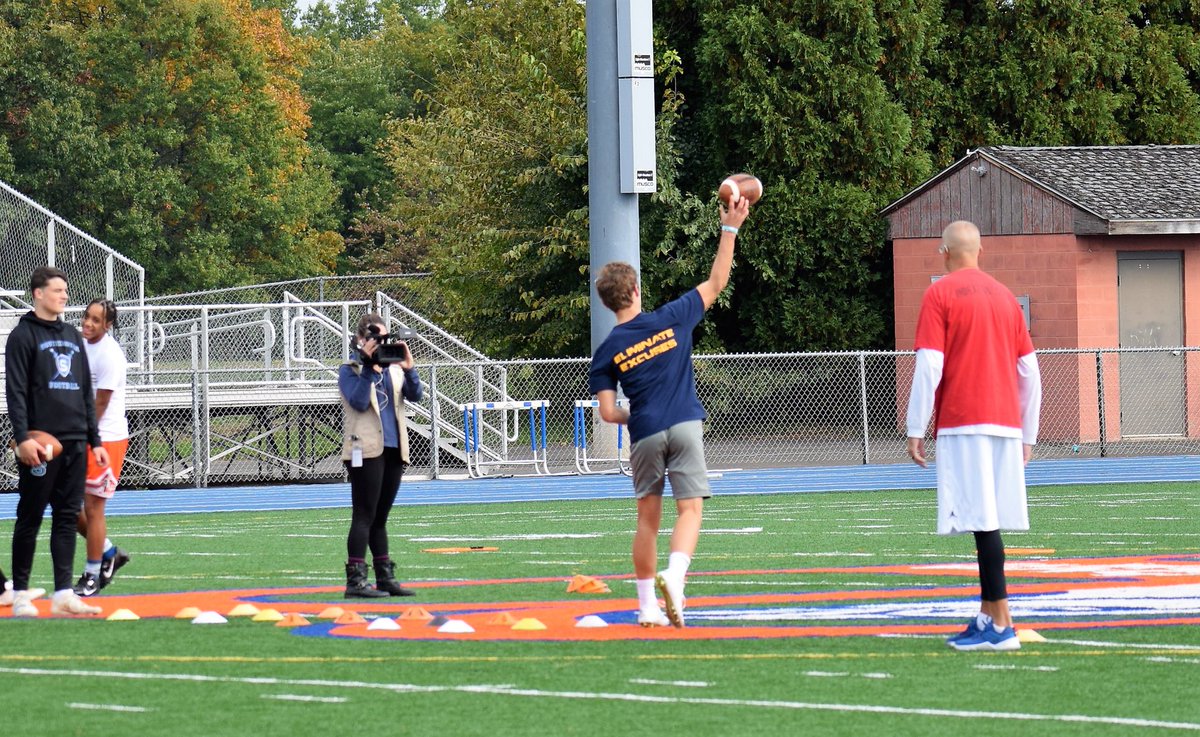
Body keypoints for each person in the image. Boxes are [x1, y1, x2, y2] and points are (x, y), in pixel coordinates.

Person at [588, 196, 751, 628]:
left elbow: (607, 413)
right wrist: (730, 228)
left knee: (647, 521)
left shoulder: (606, 351)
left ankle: (646, 608)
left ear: (606, 304)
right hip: (684, 424)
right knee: (691, 511)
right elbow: (717, 281)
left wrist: (638, 412)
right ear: (637, 290)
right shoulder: (673, 316)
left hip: (644, 432)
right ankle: (675, 578)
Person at [905, 220, 1042, 652]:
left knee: (981, 521)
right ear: (980, 251)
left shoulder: (939, 293)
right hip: (1005, 423)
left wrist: (915, 425)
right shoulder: (1005, 298)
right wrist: (1029, 434)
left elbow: (929, 364)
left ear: (945, 252)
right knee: (989, 519)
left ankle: (1001, 626)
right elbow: (1030, 373)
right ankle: (991, 615)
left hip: (964, 420)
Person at [5, 266, 109, 617]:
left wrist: (94, 440)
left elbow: (85, 390)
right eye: (57, 290)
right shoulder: (22, 336)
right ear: (38, 293)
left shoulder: (71, 335)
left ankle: (63, 593)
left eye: (65, 290)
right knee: (30, 516)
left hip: (76, 441)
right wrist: (22, 438)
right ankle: (20, 594)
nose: (64, 296)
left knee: (66, 517)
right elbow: (15, 392)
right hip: (40, 444)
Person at [338, 314, 423, 598]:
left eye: (386, 339)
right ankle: (356, 581)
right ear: (363, 340)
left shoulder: (394, 370)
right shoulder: (350, 369)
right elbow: (360, 401)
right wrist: (369, 368)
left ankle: (385, 577)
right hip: (365, 448)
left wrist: (409, 368)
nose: (382, 344)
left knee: (381, 517)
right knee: (364, 514)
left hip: (393, 448)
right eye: (377, 339)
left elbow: (416, 395)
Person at [73, 299, 131, 597]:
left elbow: (100, 403)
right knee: (65, 506)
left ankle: (92, 574)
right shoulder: (79, 345)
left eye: (96, 320)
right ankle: (108, 552)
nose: (88, 323)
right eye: (87, 316)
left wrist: (84, 437)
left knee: (94, 508)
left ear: (107, 325)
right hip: (79, 433)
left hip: (104, 438)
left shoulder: (110, 354)